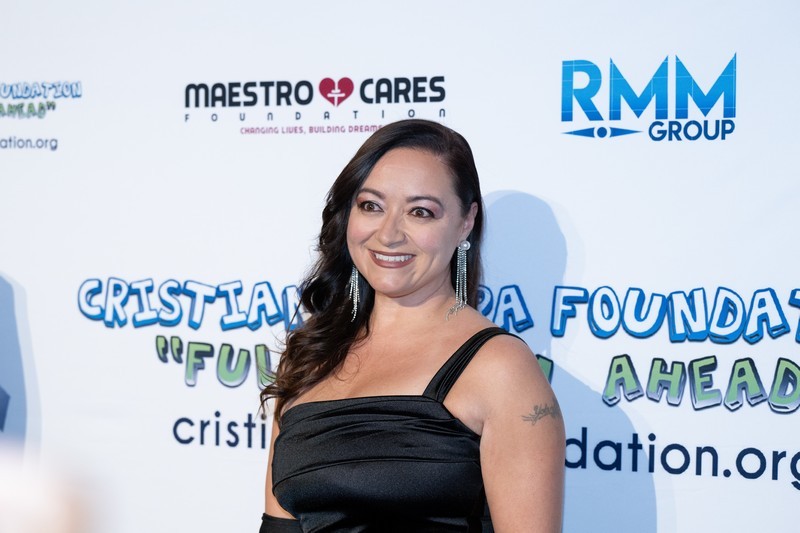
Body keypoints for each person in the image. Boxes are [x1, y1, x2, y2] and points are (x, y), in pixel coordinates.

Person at [260, 119, 565, 532]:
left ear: (466, 222)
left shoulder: (501, 368)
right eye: (371, 206)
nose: (388, 234)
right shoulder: (310, 356)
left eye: (420, 212)